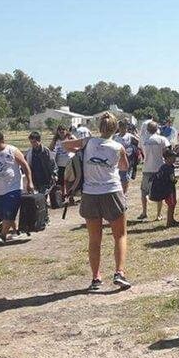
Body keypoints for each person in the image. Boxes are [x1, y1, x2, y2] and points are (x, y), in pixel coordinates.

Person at [63, 112, 132, 291]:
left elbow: (64, 145)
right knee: (120, 235)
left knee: (94, 239)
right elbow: (125, 167)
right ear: (115, 129)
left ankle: (96, 278)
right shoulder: (118, 147)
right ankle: (119, 272)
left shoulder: (87, 142)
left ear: (99, 128)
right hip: (112, 191)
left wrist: (80, 152)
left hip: (90, 193)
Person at [0, 130, 34, 245]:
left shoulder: (12, 150)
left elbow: (25, 165)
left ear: (1, 141)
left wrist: (30, 182)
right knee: (4, 213)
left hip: (13, 187)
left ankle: (2, 235)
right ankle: (16, 232)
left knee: (10, 210)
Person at [140, 121, 170, 221]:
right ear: (157, 129)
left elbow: (141, 150)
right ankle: (158, 214)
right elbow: (166, 153)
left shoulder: (143, 139)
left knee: (144, 191)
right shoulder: (162, 139)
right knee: (159, 191)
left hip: (147, 167)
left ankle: (144, 212)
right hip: (159, 167)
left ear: (147, 129)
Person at [152, 148, 179, 228]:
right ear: (167, 158)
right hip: (168, 189)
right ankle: (169, 221)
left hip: (168, 188)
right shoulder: (168, 167)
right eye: (172, 157)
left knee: (173, 203)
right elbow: (172, 178)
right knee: (171, 204)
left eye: (175, 157)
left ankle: (172, 219)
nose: (174, 159)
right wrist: (175, 180)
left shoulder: (163, 166)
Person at [112, 120, 139, 194]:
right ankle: (118, 191)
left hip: (127, 158)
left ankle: (124, 193)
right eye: (121, 127)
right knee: (118, 175)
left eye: (124, 127)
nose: (123, 129)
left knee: (125, 177)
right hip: (116, 159)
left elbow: (138, 142)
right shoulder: (115, 136)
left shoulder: (129, 136)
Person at [51, 125, 75, 200]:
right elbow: (50, 148)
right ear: (57, 132)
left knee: (69, 180)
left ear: (66, 130)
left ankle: (70, 196)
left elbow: (77, 146)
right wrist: (53, 141)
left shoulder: (70, 138)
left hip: (69, 162)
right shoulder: (56, 140)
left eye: (63, 130)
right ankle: (62, 196)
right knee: (60, 181)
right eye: (60, 130)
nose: (61, 131)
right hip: (59, 163)